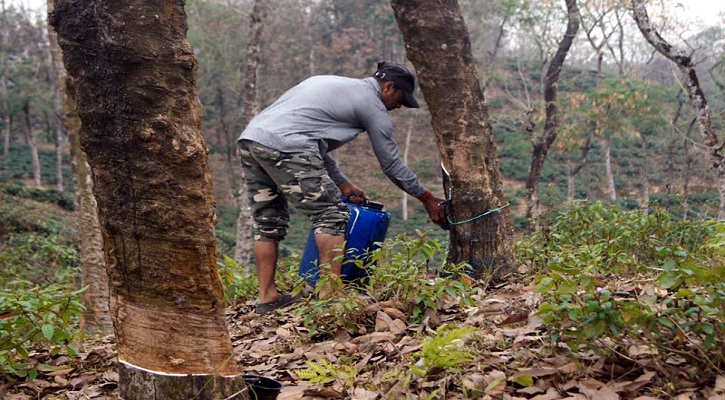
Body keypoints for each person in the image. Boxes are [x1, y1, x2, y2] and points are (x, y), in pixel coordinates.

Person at [238, 61, 447, 314]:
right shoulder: (373, 106)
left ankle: (267, 296)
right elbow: (391, 164)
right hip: (287, 145)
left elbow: (315, 144)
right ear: (389, 87)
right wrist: (426, 197)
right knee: (331, 215)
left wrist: (343, 183)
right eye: (400, 99)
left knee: (267, 222)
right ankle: (330, 294)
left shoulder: (329, 82)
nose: (398, 107)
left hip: (251, 141)